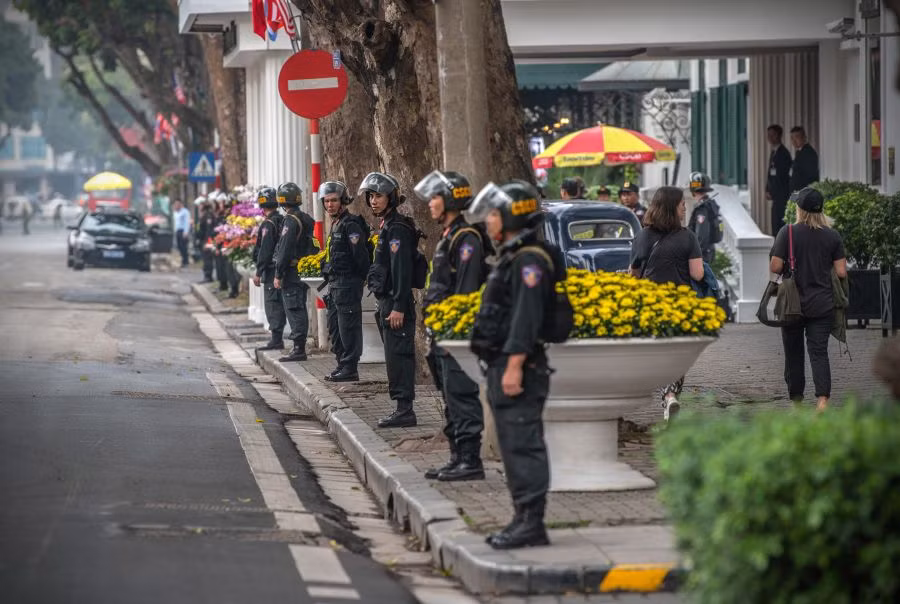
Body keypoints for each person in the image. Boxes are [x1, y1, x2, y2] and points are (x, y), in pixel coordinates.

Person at [466, 179, 557, 550]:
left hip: (520, 365)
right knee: (512, 445)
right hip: (503, 362)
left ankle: (531, 523)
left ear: (510, 217)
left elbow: (526, 317)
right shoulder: (513, 255)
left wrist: (515, 365)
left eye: (492, 214)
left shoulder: (529, 260)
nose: (488, 221)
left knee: (523, 445)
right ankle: (521, 517)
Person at [415, 170, 489, 482]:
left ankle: (471, 461)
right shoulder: (448, 237)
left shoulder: (466, 238)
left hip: (455, 336)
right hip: (441, 333)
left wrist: (454, 331)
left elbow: (466, 290)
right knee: (449, 398)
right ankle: (457, 457)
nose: (430, 204)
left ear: (449, 200)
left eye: (434, 198)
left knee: (462, 395)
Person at [630, 186, 705, 420]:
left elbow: (633, 274)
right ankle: (670, 394)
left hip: (651, 303)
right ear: (672, 207)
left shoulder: (643, 236)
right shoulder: (688, 236)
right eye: (682, 203)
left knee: (660, 353)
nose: (685, 207)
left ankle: (668, 397)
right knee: (677, 353)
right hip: (681, 303)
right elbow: (698, 274)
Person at [769, 187, 846, 412]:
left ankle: (797, 403)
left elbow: (775, 266)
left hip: (793, 305)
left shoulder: (788, 232)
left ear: (800, 210)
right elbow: (841, 272)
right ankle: (822, 401)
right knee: (819, 352)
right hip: (822, 304)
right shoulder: (833, 236)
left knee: (793, 353)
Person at [361, 172, 419, 429]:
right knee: (393, 357)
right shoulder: (387, 225)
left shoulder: (396, 228)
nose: (374, 201)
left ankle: (405, 409)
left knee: (400, 356)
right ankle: (400, 407)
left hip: (397, 305)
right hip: (388, 303)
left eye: (379, 196)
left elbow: (402, 271)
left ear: (391, 198)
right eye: (371, 196)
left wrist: (398, 307)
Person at [320, 181, 371, 382]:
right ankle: (342, 363)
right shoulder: (336, 223)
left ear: (343, 201)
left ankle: (350, 367)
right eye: (326, 201)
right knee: (335, 327)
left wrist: (359, 279)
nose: (330, 205)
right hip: (335, 285)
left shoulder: (351, 224)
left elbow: (361, 257)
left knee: (348, 327)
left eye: (334, 200)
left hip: (348, 283)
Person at [273, 182, 316, 362]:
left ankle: (299, 349)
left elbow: (284, 249)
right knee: (299, 306)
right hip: (301, 269)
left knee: (294, 307)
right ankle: (299, 346)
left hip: (291, 272)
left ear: (282, 201)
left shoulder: (290, 221)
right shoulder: (305, 218)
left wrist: (278, 274)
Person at [252, 186, 286, 351]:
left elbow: (264, 250)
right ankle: (278, 338)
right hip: (281, 269)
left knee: (273, 304)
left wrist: (258, 271)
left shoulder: (268, 224)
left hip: (271, 270)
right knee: (280, 302)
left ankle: (276, 339)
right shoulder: (282, 220)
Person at [687, 172, 720, 264]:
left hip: (702, 254)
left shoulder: (702, 209)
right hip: (708, 250)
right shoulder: (710, 204)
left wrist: (695, 254)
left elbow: (701, 234)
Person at [765, 124, 792, 234]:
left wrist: (773, 191)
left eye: (773, 135)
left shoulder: (784, 153)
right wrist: (767, 189)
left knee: (780, 224)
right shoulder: (773, 152)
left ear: (779, 136)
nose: (770, 138)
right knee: (774, 223)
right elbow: (770, 174)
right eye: (769, 135)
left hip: (782, 195)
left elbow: (782, 177)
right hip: (775, 196)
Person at [789, 126, 820, 193]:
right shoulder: (800, 152)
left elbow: (810, 176)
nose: (794, 141)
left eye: (797, 137)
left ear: (804, 137)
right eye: (792, 138)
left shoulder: (808, 153)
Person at [195, 196, 217, 283]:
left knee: (208, 259)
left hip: (206, 241)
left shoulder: (208, 215)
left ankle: (208, 276)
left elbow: (208, 230)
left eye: (200, 205)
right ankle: (206, 275)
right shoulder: (203, 214)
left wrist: (207, 243)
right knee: (205, 259)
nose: (199, 207)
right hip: (202, 240)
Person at [214, 197, 229, 292]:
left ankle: (225, 285)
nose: (220, 206)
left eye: (221, 203)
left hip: (226, 245)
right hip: (219, 244)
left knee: (225, 267)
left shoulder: (227, 217)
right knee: (219, 266)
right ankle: (221, 284)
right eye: (219, 204)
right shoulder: (218, 216)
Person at [172, 199, 192, 267]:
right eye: (175, 204)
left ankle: (185, 261)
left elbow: (187, 222)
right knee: (179, 247)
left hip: (183, 231)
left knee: (184, 247)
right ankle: (183, 260)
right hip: (177, 231)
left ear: (180, 204)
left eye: (177, 204)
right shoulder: (175, 212)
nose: (176, 205)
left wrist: (186, 232)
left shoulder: (185, 212)